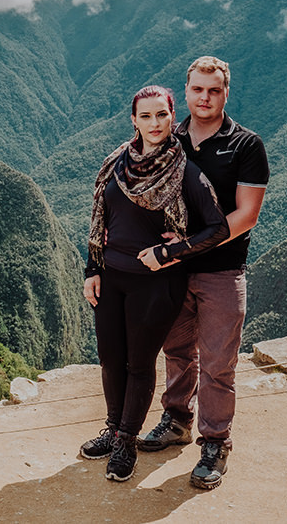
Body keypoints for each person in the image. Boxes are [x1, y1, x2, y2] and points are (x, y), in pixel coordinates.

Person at [81, 85, 228, 482]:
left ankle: (127, 441)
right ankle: (113, 430)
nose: (154, 123)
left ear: (171, 116)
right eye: (145, 116)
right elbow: (100, 221)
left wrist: (173, 251)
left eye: (161, 115)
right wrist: (91, 270)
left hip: (155, 284)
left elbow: (218, 228)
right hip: (111, 279)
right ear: (133, 120)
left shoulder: (185, 172)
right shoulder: (116, 163)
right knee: (111, 360)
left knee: (139, 364)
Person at [139, 57, 269, 490]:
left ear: (226, 93)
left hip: (221, 271)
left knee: (218, 363)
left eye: (214, 90)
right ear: (187, 90)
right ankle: (176, 419)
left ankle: (215, 442)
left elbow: (246, 215)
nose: (205, 98)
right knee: (177, 352)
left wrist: (179, 249)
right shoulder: (167, 137)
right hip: (171, 275)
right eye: (197, 89)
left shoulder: (246, 145)